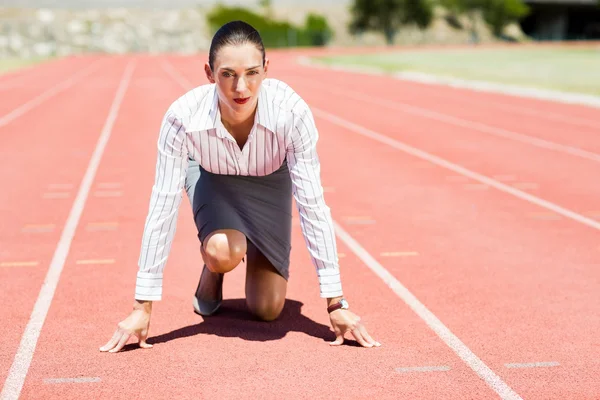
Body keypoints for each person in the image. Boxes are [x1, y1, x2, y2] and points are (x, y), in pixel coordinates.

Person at [100, 20, 380, 353]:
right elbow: (163, 205)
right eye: (228, 74)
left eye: (251, 72)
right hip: (213, 181)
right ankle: (213, 267)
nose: (241, 87)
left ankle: (246, 253)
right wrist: (142, 306)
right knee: (222, 251)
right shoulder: (182, 117)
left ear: (266, 70)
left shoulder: (291, 113)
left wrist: (336, 302)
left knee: (267, 310)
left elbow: (312, 205)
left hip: (269, 186)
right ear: (209, 72)